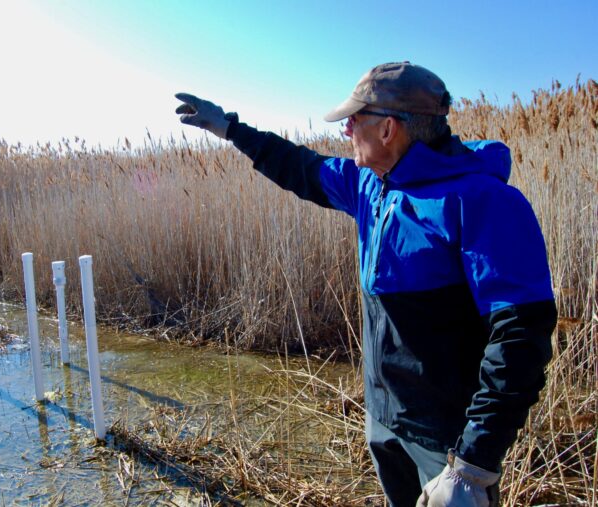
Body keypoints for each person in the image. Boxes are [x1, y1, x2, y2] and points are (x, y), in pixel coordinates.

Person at [175, 62, 557, 507]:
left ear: (389, 129)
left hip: (446, 442)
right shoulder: (369, 185)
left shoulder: (484, 203)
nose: (346, 131)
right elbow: (301, 167)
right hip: (384, 420)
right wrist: (230, 129)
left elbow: (520, 339)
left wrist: (473, 466)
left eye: (355, 120)